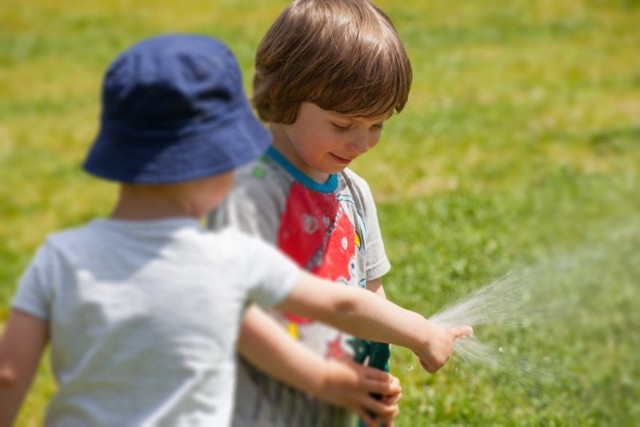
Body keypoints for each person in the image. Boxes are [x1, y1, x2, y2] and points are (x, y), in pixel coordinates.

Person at [0, 33, 471, 427]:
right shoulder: (227, 259)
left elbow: (8, 375)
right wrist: (418, 336)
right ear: (214, 168)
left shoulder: (59, 256)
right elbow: (340, 302)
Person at [206, 0, 426, 426]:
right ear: (283, 96)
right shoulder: (250, 193)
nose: (361, 144)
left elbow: (368, 295)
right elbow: (235, 316)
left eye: (377, 125)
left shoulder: (354, 193)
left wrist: (374, 377)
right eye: (343, 126)